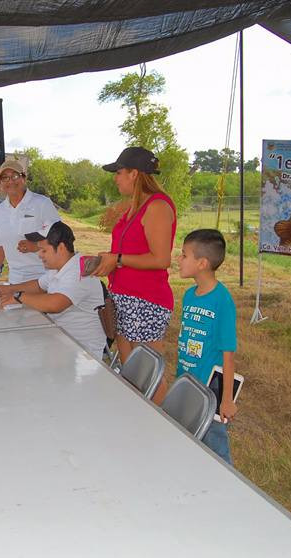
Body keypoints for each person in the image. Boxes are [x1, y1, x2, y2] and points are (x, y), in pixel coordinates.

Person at [94, 147, 177, 403]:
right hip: (125, 297)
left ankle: (169, 427)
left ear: (135, 174)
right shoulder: (135, 206)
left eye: (119, 172)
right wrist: (108, 259)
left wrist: (117, 259)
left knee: (149, 375)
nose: (115, 178)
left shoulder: (158, 206)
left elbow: (161, 259)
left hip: (146, 300)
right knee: (132, 373)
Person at [0, 221, 107, 358]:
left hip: (82, 352)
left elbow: (56, 304)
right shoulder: (59, 267)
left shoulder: (80, 270)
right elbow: (39, 285)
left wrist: (19, 296)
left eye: (44, 250)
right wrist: (9, 289)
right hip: (60, 340)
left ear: (60, 248)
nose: (39, 255)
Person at [175, 229, 238, 464]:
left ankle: (228, 486)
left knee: (216, 447)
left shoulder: (222, 301)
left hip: (210, 391)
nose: (178, 260)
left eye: (183, 255)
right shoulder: (189, 295)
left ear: (201, 263)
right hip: (187, 382)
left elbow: (228, 355)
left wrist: (227, 399)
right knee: (189, 438)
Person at [0, 158, 61, 286]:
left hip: (46, 276)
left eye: (15, 176)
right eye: (5, 178)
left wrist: (36, 246)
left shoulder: (42, 203)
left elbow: (60, 237)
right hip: (16, 279)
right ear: (1, 184)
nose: (10, 181)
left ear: (23, 179)